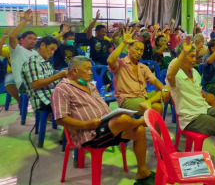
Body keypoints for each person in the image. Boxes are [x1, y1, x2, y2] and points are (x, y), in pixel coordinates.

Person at [51, 56, 155, 184]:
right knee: (123, 120)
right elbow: (60, 119)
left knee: (138, 131)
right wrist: (86, 125)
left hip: (105, 126)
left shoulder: (90, 86)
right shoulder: (61, 89)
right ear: (74, 71)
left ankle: (142, 172)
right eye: (87, 69)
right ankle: (144, 120)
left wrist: (111, 116)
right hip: (88, 133)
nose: (90, 72)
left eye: (90, 69)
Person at [166, 36, 215, 170]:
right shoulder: (175, 74)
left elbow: (199, 92)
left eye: (195, 56)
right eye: (191, 56)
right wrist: (183, 52)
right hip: (191, 117)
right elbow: (170, 75)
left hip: (204, 108)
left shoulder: (194, 72)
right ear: (181, 57)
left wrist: (207, 97)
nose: (194, 59)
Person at [107, 28, 169, 116]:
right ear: (128, 49)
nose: (139, 52)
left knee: (167, 88)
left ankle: (148, 102)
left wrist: (163, 89)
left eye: (141, 50)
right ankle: (154, 127)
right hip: (128, 99)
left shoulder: (142, 67)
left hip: (144, 96)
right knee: (157, 107)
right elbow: (110, 61)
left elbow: (154, 80)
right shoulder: (121, 63)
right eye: (137, 49)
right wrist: (124, 42)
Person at [21, 36, 68, 111]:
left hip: (53, 94)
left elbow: (52, 80)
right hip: (43, 100)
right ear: (42, 45)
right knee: (76, 103)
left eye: (54, 50)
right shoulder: (33, 62)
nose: (52, 53)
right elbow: (36, 84)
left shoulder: (46, 62)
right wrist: (59, 75)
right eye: (51, 49)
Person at [7, 9, 39, 94]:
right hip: (24, 84)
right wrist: (25, 20)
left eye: (35, 39)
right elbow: (12, 36)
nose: (33, 41)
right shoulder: (17, 50)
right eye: (30, 38)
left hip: (37, 80)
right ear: (22, 39)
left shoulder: (35, 53)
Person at [0, 30, 21, 104]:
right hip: (12, 73)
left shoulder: (27, 49)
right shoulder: (8, 49)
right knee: (8, 82)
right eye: (17, 40)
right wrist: (3, 38)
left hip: (26, 72)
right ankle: (19, 101)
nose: (19, 42)